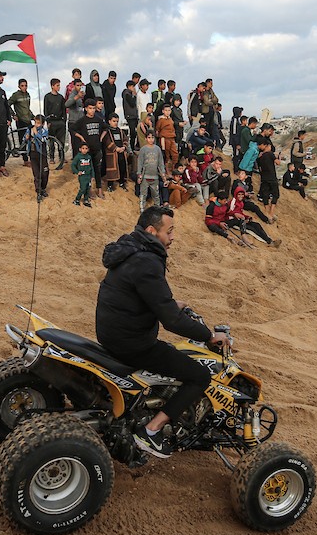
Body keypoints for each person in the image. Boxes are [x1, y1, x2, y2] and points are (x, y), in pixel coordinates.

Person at [96, 206, 229, 458]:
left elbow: (139, 294)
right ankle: (152, 430)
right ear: (151, 231)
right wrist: (208, 335)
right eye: (169, 231)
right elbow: (172, 322)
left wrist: (169, 303)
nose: (172, 237)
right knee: (199, 375)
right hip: (132, 343)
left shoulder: (130, 249)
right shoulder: (147, 261)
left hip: (112, 332)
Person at [136, 132, 165, 212]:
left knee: (156, 194)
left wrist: (163, 173)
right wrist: (139, 174)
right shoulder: (143, 149)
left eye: (152, 137)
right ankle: (142, 209)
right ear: (145, 138)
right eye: (149, 137)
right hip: (145, 176)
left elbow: (160, 162)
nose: (151, 139)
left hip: (155, 176)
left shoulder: (157, 149)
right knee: (143, 194)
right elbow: (140, 163)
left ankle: (157, 210)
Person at [42, 77, 67, 166]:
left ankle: (62, 157)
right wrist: (47, 121)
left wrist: (64, 120)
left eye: (59, 85)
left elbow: (64, 110)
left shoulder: (61, 97)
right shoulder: (47, 97)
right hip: (51, 122)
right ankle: (52, 157)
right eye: (57, 85)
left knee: (61, 141)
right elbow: (45, 110)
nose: (59, 87)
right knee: (51, 141)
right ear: (52, 86)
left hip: (60, 121)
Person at [255, 136, 280, 222]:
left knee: (265, 195)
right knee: (275, 195)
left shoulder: (260, 157)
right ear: (267, 146)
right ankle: (271, 213)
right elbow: (278, 163)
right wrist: (277, 157)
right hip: (272, 177)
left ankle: (266, 212)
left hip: (264, 178)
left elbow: (259, 168)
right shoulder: (270, 154)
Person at [27, 114, 50, 202]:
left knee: (45, 172)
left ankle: (43, 188)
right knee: (37, 174)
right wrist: (26, 137)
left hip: (42, 154)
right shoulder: (30, 129)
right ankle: (38, 191)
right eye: (36, 123)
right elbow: (25, 139)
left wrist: (36, 133)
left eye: (39, 123)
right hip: (33, 154)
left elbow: (43, 140)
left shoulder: (44, 131)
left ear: (42, 124)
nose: (36, 125)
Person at [9, 78, 33, 153]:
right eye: (22, 86)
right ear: (19, 86)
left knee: (30, 139)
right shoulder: (16, 95)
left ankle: (30, 157)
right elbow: (7, 104)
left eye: (26, 86)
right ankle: (25, 160)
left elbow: (27, 108)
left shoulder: (28, 95)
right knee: (22, 140)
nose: (24, 87)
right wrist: (13, 115)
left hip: (28, 120)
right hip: (20, 120)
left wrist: (33, 117)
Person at [155, 104, 178, 171]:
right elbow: (157, 130)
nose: (167, 112)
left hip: (172, 138)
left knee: (175, 154)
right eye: (166, 110)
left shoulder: (170, 119)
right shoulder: (161, 120)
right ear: (163, 111)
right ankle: (166, 170)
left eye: (169, 110)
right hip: (165, 138)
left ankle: (174, 169)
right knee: (166, 155)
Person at [72, 141, 94, 207]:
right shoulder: (78, 157)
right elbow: (73, 165)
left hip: (88, 176)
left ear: (88, 149)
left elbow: (91, 167)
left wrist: (92, 176)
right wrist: (77, 172)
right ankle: (77, 199)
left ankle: (86, 199)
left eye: (86, 148)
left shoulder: (89, 157)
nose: (84, 150)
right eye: (83, 148)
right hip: (82, 176)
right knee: (83, 188)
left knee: (88, 188)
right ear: (80, 149)